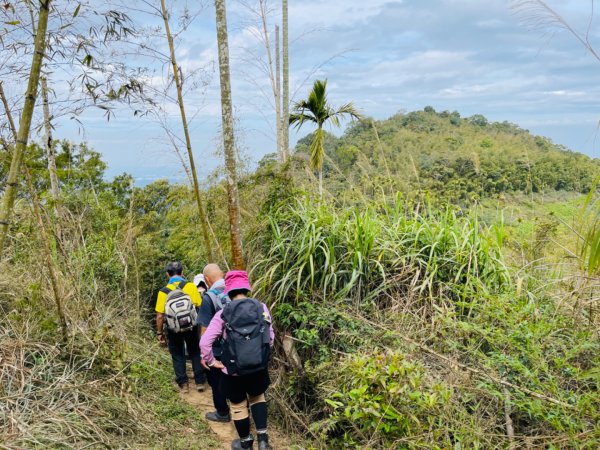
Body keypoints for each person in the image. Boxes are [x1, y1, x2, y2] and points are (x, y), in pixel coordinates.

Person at [201, 270, 274, 450]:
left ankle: (246, 443)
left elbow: (204, 343)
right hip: (258, 366)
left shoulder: (223, 313)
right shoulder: (261, 307)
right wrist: (261, 356)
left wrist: (211, 361)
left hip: (233, 369)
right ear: (246, 287)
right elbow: (270, 337)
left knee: (238, 404)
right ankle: (263, 442)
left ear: (229, 290)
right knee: (258, 398)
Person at [156, 261, 206, 394]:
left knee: (177, 354)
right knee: (195, 351)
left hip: (173, 328)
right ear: (182, 273)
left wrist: (159, 333)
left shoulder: (163, 292)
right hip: (192, 325)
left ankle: (183, 384)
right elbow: (199, 307)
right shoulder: (190, 286)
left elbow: (160, 315)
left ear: (167, 274)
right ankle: (200, 381)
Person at [197, 263, 231, 423]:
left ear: (206, 279)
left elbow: (205, 328)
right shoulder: (234, 291)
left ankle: (223, 413)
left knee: (216, 381)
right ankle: (240, 410)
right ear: (222, 274)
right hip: (237, 346)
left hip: (217, 349)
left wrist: (204, 355)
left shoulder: (208, 297)